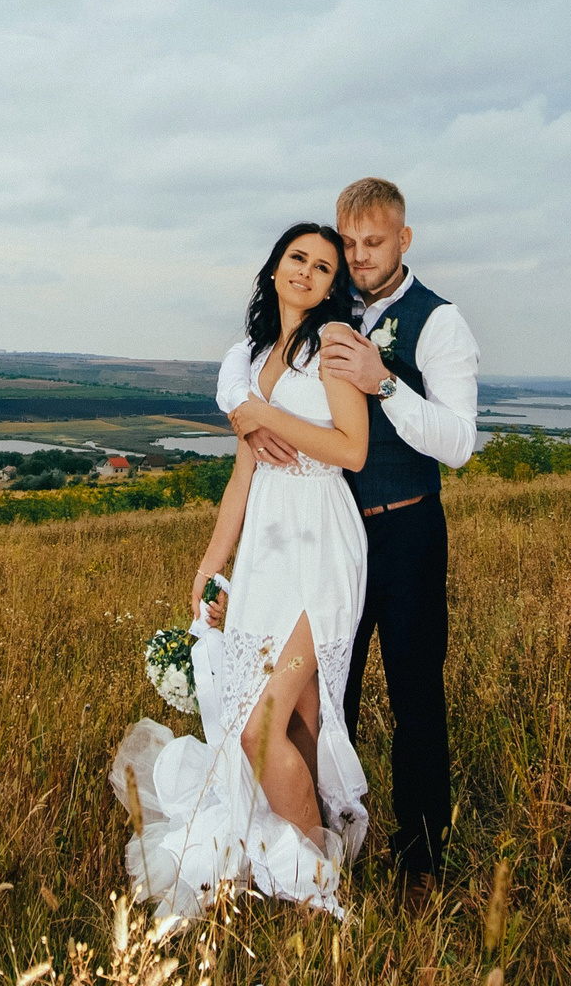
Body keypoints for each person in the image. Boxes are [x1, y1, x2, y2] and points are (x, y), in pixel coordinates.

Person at [218, 177, 478, 884]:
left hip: (405, 529)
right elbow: (251, 367)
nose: (359, 256)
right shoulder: (323, 311)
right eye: (349, 243)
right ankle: (326, 850)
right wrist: (244, 411)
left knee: (416, 697)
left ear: (404, 239)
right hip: (326, 539)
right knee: (326, 699)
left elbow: (459, 443)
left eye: (374, 242)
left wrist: (384, 381)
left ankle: (421, 865)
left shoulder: (439, 321)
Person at [110, 223, 375, 918]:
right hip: (266, 548)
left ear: (333, 285)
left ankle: (315, 889)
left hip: (321, 546)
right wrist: (210, 562)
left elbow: (353, 450)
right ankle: (321, 847)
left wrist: (262, 414)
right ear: (275, 268)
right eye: (297, 258)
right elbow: (242, 478)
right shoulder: (256, 357)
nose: (307, 272)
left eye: (324, 266)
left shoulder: (333, 346)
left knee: (263, 726)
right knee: (300, 722)